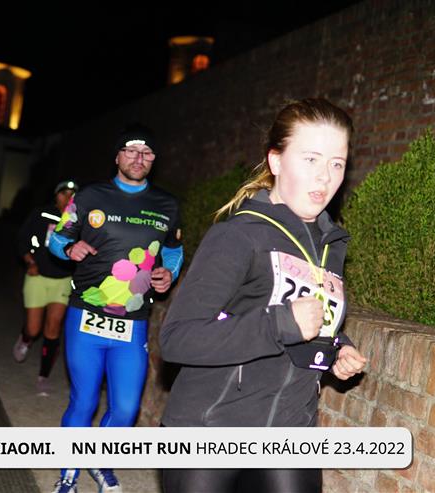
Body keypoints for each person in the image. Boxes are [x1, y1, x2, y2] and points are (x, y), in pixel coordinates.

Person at [160, 98, 368, 493]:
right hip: (211, 428)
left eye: (337, 164)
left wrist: (337, 348)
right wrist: (280, 323)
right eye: (310, 159)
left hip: (290, 431)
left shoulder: (331, 246)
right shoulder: (238, 235)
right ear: (276, 161)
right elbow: (176, 338)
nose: (324, 177)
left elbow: (307, 321)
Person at [47, 124, 184, 493]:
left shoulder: (167, 205)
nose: (138, 158)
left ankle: (98, 458)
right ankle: (68, 474)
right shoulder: (91, 196)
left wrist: (168, 273)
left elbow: (173, 250)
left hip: (132, 322)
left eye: (147, 153)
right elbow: (57, 238)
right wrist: (69, 248)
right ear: (118, 156)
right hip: (86, 316)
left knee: (126, 408)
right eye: (131, 151)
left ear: (153, 159)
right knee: (84, 400)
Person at [12, 180, 79, 395]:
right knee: (34, 329)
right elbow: (22, 239)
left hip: (63, 279)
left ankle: (43, 376)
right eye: (63, 193)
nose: (67, 198)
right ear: (56, 195)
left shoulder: (81, 220)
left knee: (53, 327)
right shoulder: (41, 214)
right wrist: (29, 261)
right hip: (37, 276)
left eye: (72, 195)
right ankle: (25, 338)